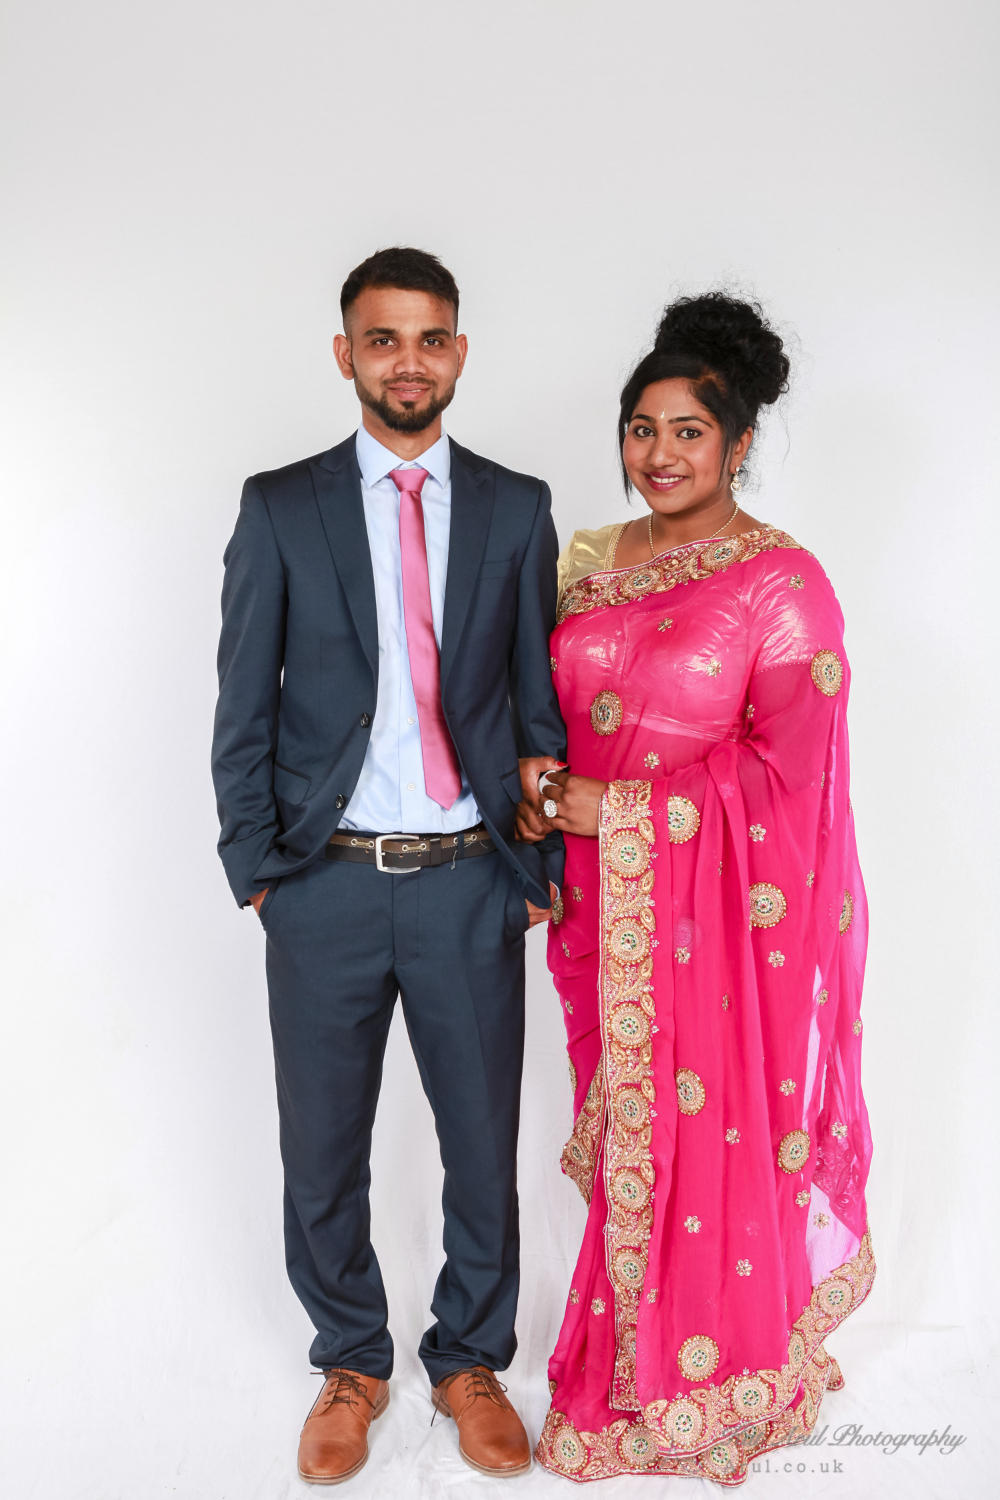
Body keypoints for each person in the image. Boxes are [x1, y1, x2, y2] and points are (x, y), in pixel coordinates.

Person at [211, 247, 566, 1483]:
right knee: (322, 1149)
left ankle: (469, 1360)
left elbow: (535, 699)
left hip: (471, 879)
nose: (406, 362)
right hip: (324, 886)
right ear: (345, 354)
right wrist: (259, 871)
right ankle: (352, 1362)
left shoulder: (516, 507)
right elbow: (242, 705)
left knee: (481, 1144)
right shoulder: (280, 506)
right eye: (382, 339)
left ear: (458, 352)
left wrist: (535, 869)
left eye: (428, 338)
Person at [517, 294, 874, 1484]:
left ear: (738, 443)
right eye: (640, 429)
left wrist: (619, 814)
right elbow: (542, 710)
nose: (658, 455)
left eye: (687, 432)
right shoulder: (586, 561)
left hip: (708, 919)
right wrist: (538, 790)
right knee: (629, 1131)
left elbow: (790, 779)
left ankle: (698, 1373)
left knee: (698, 1134)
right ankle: (639, 1346)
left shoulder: (783, 582)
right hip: (593, 906)